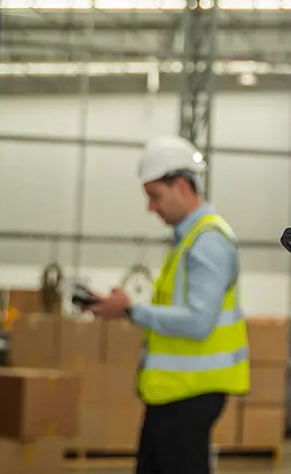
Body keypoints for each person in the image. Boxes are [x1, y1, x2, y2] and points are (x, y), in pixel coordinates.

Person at [88, 136, 249, 474]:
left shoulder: (207, 242)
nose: (151, 207)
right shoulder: (190, 240)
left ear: (180, 186)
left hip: (190, 395)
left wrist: (130, 310)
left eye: (154, 196)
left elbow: (198, 322)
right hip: (174, 394)